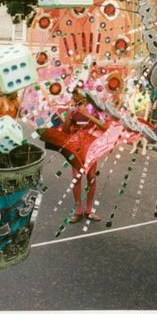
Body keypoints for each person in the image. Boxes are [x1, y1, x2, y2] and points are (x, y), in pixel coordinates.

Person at [40, 86, 107, 222]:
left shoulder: (94, 108)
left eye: (76, 94)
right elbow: (65, 130)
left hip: (90, 146)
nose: (73, 97)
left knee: (91, 177)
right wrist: (69, 115)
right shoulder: (72, 109)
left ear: (83, 96)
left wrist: (87, 115)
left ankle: (88, 210)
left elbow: (104, 127)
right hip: (75, 145)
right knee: (76, 177)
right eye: (73, 95)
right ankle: (78, 211)